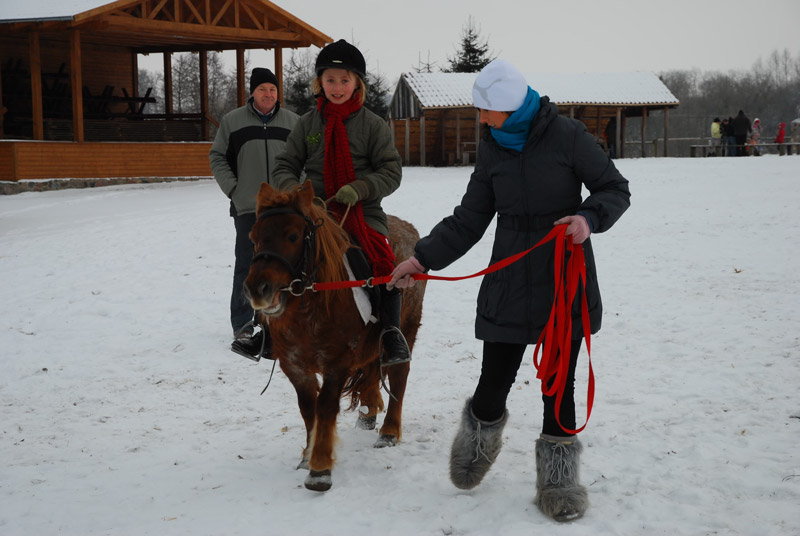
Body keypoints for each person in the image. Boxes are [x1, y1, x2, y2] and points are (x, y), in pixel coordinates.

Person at [388, 59, 630, 522]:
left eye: (485, 111)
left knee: (560, 384)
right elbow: (471, 218)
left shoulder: (568, 135)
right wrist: (422, 260)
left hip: (564, 273)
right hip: (509, 275)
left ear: (508, 106)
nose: (480, 119)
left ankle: (558, 479)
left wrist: (587, 218)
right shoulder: (493, 147)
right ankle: (479, 441)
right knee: (493, 379)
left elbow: (614, 188)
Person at [270, 39, 409, 367]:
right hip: (312, 212)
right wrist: (298, 194)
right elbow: (284, 166)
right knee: (273, 254)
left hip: (361, 211)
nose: (337, 87)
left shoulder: (373, 125)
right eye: (330, 80)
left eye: (344, 80)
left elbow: (391, 171)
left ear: (356, 83)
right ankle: (262, 328)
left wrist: (360, 188)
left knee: (382, 261)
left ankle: (390, 332)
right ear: (319, 83)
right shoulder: (308, 124)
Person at [209, 67, 300, 360]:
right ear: (252, 92)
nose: (268, 94)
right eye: (262, 89)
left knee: (287, 262)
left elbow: (306, 157)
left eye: (273, 90)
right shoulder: (233, 122)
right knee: (247, 264)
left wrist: (296, 191)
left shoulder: (293, 122)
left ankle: (282, 318)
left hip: (284, 207)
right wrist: (234, 189)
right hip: (249, 207)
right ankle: (244, 323)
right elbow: (217, 156)